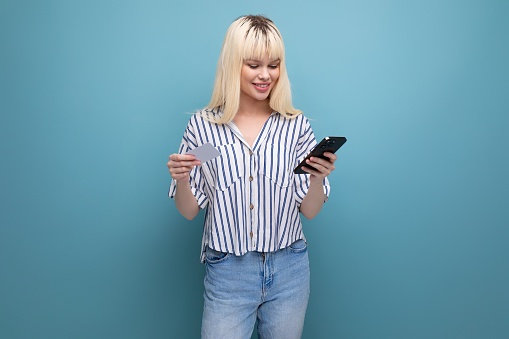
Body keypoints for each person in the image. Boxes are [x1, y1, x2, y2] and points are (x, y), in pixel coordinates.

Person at [167, 14, 337, 339]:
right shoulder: (206, 129)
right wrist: (183, 178)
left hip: (290, 269)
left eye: (273, 65)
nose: (265, 75)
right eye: (253, 64)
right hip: (228, 272)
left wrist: (317, 178)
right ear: (233, 64)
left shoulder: (295, 126)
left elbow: (311, 210)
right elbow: (189, 211)